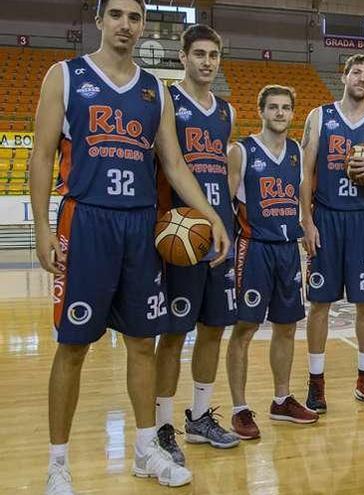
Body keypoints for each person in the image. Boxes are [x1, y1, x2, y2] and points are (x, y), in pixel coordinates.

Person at [32, 1, 230, 492]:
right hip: (87, 221)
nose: (126, 24)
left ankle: (146, 451)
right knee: (73, 347)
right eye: (116, 14)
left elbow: (176, 165)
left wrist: (210, 216)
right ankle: (58, 463)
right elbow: (40, 155)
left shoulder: (153, 90)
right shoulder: (65, 76)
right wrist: (40, 227)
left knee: (143, 342)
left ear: (143, 27)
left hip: (141, 227)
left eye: (134, 17)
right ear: (99, 20)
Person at [300, 54, 364, 412]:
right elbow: (305, 174)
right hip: (327, 219)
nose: (361, 78)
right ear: (343, 75)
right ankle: (316, 383)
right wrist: (307, 221)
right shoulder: (319, 117)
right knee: (319, 305)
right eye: (356, 72)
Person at [153, 24, 239, 465]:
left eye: (213, 55)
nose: (207, 62)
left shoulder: (226, 112)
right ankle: (163, 424)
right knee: (173, 334)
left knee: (214, 329)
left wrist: (226, 221)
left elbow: (222, 173)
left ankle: (200, 416)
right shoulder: (167, 99)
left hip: (220, 235)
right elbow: (166, 164)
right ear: (183, 57)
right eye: (199, 54)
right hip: (183, 234)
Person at [225, 85, 319, 440]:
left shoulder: (295, 151)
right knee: (245, 328)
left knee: (287, 326)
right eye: (274, 107)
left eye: (286, 108)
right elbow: (226, 202)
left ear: (293, 113)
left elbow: (302, 200)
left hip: (287, 249)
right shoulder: (242, 151)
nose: (280, 113)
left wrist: (308, 225)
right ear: (261, 111)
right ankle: (238, 408)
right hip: (254, 248)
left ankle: (281, 400)